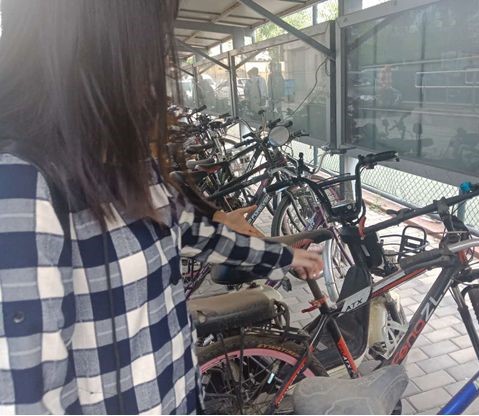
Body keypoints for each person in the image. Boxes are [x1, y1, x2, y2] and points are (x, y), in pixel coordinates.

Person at [0, 1, 323, 414]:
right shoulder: (21, 182)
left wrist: (282, 256)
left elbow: (187, 229)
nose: (163, 66)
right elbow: (24, 394)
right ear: (95, 46)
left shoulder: (120, 158)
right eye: (153, 43)